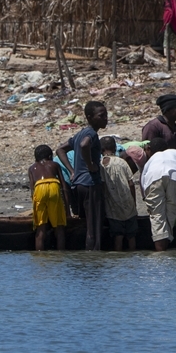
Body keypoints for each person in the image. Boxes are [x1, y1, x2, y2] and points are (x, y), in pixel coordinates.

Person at [57, 100, 107, 251]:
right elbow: (84, 145)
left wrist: (72, 171)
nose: (105, 118)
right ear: (90, 117)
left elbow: (60, 149)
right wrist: (90, 165)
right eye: (101, 115)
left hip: (79, 184)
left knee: (87, 224)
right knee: (94, 228)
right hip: (90, 183)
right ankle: (93, 259)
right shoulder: (90, 133)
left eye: (106, 115)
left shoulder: (80, 133)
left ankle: (85, 261)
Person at [140, 138, 176, 251]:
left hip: (153, 178)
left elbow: (143, 184)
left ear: (150, 149)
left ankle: (161, 258)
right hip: (175, 177)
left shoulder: (150, 161)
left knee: (158, 219)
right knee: (170, 217)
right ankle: (167, 257)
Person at [27, 145, 72, 251]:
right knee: (59, 228)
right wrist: (67, 211)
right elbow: (64, 187)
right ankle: (61, 254)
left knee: (40, 229)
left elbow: (32, 190)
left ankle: (40, 256)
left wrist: (35, 207)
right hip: (53, 187)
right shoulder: (54, 165)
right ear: (50, 156)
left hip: (39, 188)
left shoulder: (32, 168)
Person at [99, 136, 138, 251]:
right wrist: (134, 204)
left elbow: (101, 186)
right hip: (128, 205)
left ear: (101, 150)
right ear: (115, 148)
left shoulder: (100, 165)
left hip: (112, 208)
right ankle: (133, 258)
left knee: (118, 236)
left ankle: (118, 261)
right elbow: (131, 184)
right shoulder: (122, 162)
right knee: (131, 236)